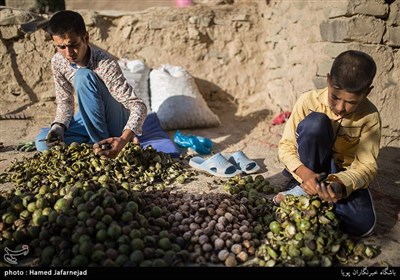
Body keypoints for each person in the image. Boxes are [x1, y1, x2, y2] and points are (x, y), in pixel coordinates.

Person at [35, 10, 179, 158]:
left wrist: (124, 139)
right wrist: (59, 127)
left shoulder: (104, 63)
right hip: (90, 118)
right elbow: (65, 103)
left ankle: (101, 144)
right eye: (61, 47)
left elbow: (138, 106)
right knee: (42, 142)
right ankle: (93, 144)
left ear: (85, 37)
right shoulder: (58, 62)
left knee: (83, 76)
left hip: (114, 118)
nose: (69, 53)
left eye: (73, 44)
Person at [274, 50, 381, 237]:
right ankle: (303, 186)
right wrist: (306, 174)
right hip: (309, 165)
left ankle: (318, 197)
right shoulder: (308, 101)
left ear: (367, 92)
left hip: (342, 174)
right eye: (335, 97)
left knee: (363, 226)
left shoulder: (370, 117)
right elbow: (286, 146)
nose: (340, 108)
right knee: (315, 123)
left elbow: (366, 167)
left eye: (351, 102)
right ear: (329, 80)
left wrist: (339, 186)